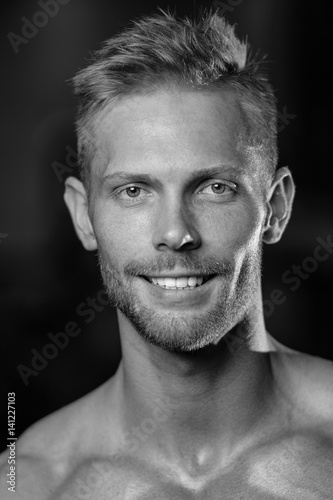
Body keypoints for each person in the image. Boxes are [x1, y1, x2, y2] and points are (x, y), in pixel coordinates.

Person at [1, 8, 333, 499]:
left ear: (275, 208)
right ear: (82, 216)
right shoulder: (27, 483)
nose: (176, 233)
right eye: (134, 191)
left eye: (214, 187)